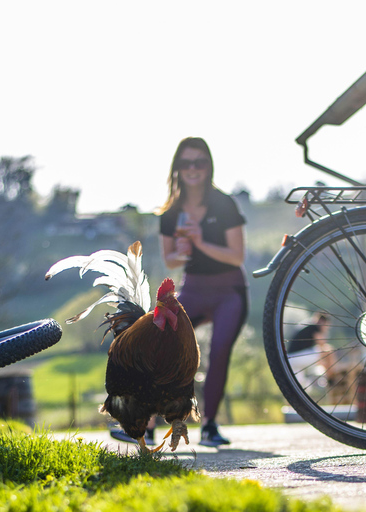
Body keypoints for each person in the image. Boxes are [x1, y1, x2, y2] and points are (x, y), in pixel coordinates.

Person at [157, 136, 249, 447]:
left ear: (209, 166)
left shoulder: (224, 203)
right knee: (162, 342)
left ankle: (209, 425)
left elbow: (237, 256)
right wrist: (183, 252)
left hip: (229, 290)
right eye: (186, 163)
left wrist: (200, 242)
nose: (193, 168)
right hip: (193, 287)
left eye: (200, 162)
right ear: (177, 168)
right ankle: (144, 419)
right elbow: (170, 259)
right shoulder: (170, 212)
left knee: (218, 351)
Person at [286, 313, 332, 385]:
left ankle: (322, 374)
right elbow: (322, 343)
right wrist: (324, 332)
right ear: (323, 322)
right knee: (327, 350)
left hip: (291, 359)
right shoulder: (314, 327)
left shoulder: (308, 325)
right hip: (296, 357)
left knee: (300, 385)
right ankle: (331, 377)